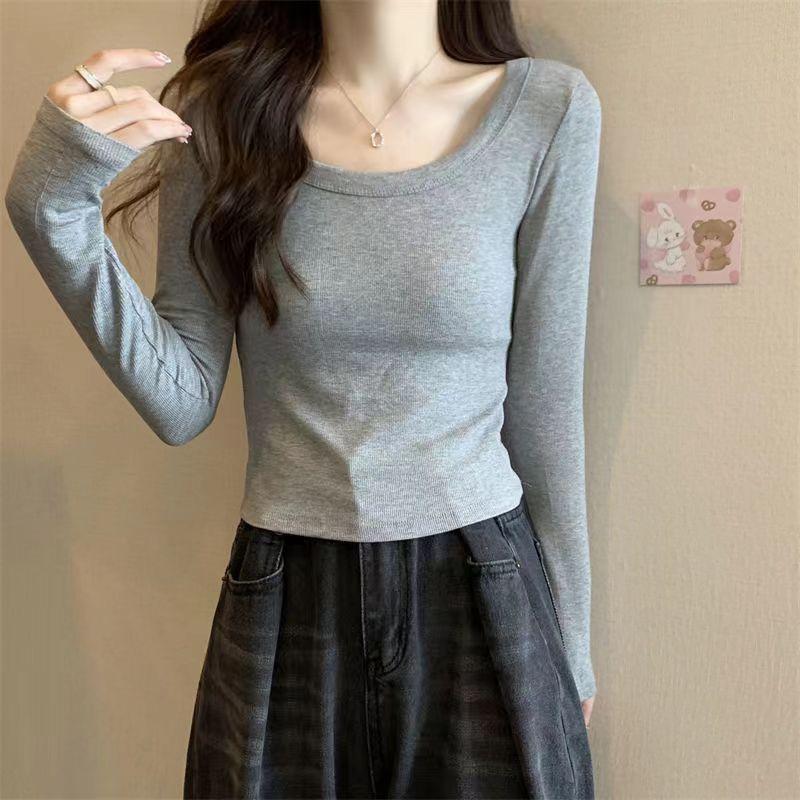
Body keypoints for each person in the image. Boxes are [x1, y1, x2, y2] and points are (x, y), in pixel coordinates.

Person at [4, 1, 601, 797]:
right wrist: (52, 209)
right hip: (286, 590)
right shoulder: (220, 118)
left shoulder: (548, 110)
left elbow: (546, 410)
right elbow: (181, 401)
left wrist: (571, 649)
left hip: (484, 588)